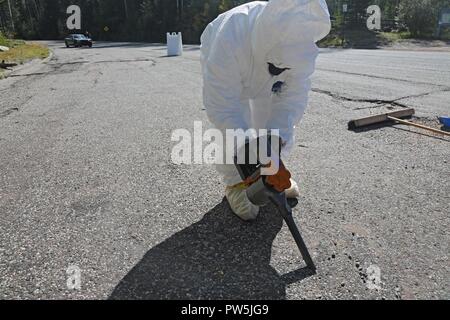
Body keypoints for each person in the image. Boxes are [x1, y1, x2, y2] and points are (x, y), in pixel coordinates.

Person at [200, 0, 331, 221]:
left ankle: (268, 175)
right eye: (276, 66)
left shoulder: (300, 43)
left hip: (264, 84)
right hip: (231, 70)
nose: (280, 70)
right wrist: (249, 152)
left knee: (267, 123)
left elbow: (291, 101)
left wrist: (274, 152)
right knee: (235, 123)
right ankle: (236, 183)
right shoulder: (229, 37)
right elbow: (223, 107)